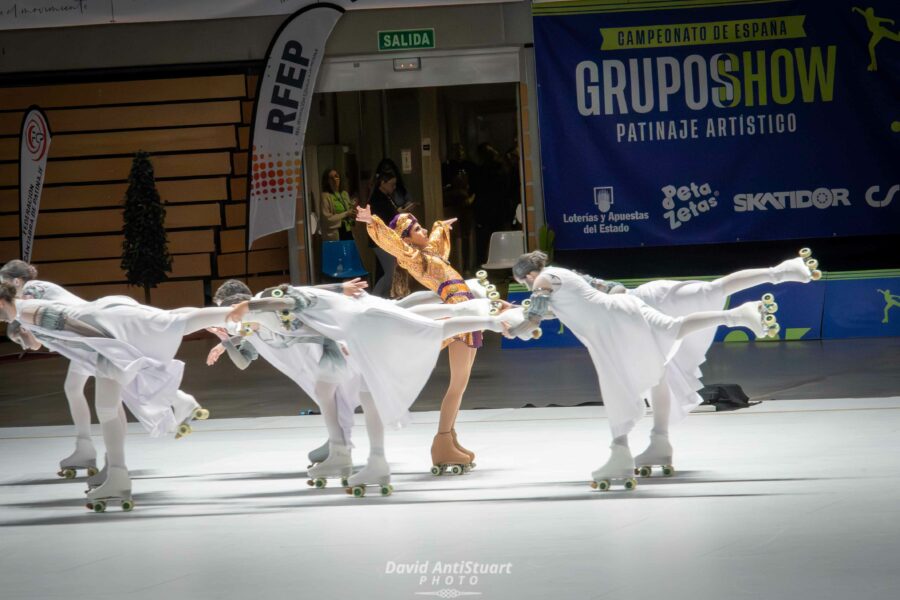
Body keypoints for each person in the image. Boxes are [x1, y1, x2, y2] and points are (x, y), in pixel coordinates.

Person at [506, 252, 782, 490]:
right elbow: (600, 291)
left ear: (529, 275)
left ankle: (620, 451)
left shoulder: (542, 281)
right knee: (673, 330)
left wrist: (509, 329)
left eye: (524, 283)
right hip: (627, 308)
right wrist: (517, 310)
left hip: (613, 324)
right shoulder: (564, 273)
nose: (528, 286)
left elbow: (535, 318)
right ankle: (737, 315)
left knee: (617, 384)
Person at [226, 283, 509, 495]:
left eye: (232, 312)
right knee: (329, 389)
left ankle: (373, 459)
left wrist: (250, 307)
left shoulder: (265, 303)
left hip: (364, 326)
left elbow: (298, 297)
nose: (232, 321)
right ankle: (343, 453)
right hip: (349, 335)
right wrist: (227, 338)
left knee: (421, 326)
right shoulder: (257, 323)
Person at [571, 249, 822, 477]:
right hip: (639, 322)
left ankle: (779, 275)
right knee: (658, 376)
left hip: (649, 303)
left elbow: (615, 290)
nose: (532, 284)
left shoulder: (569, 284)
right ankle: (659, 442)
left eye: (531, 279)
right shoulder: (562, 291)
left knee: (711, 291)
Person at [0, 285, 233, 511]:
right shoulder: (25, 310)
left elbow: (77, 327)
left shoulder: (28, 311)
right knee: (109, 405)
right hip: (104, 340)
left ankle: (117, 474)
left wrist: (113, 348)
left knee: (107, 407)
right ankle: (115, 472)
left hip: (105, 340)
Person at [358, 204, 503, 475]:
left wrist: (439, 227)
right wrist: (373, 222)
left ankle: (450, 437)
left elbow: (435, 242)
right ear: (408, 239)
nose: (422, 230)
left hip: (468, 311)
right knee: (456, 385)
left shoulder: (429, 253)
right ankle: (442, 443)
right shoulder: (412, 256)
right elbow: (393, 243)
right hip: (459, 315)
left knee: (461, 385)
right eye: (417, 229)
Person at [319, 168, 356, 242]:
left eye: (336, 176)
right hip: (336, 233)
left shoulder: (344, 194)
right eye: (331, 178)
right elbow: (327, 219)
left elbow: (350, 211)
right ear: (327, 181)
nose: (334, 179)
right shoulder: (325, 196)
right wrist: (346, 214)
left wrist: (353, 210)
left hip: (349, 231)